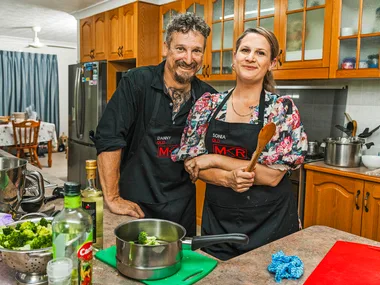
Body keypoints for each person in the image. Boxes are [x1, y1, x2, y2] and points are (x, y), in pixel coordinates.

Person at [172, 27, 308, 260]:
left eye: (261, 53)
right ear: (234, 57)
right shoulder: (207, 105)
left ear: (272, 63)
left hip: (271, 223)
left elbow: (273, 176)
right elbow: (194, 166)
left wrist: (215, 159)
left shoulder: (281, 110)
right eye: (245, 50)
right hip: (219, 225)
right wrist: (227, 179)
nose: (251, 57)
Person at [94, 13, 216, 237]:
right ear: (165, 48)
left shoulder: (208, 97)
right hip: (134, 205)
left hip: (182, 206)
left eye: (196, 50)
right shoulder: (136, 82)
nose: (189, 59)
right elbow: (109, 137)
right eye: (180, 49)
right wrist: (111, 198)